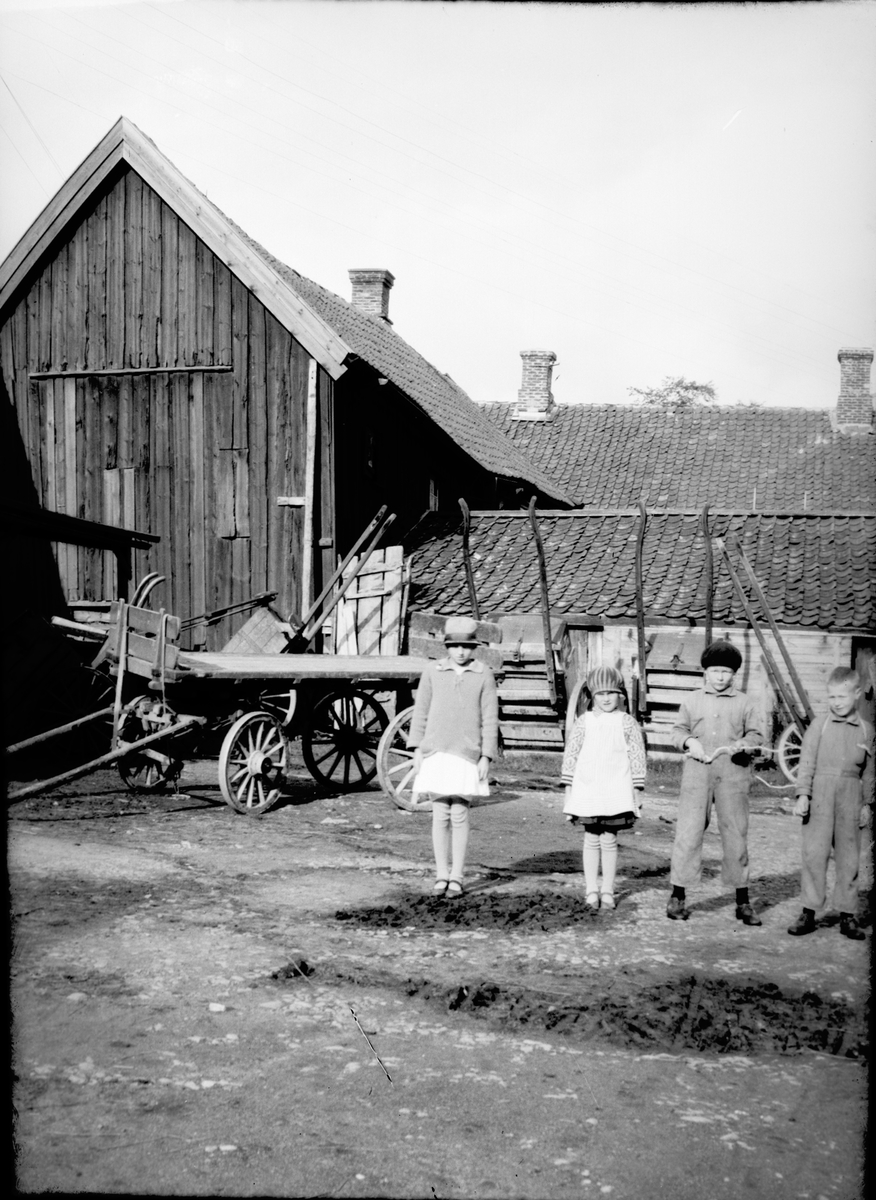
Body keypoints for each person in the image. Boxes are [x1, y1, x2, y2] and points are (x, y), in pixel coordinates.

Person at [667, 639, 765, 925]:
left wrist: (744, 744)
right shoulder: (692, 700)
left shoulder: (745, 703)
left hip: (733, 775)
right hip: (697, 773)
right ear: (705, 672)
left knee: (735, 834)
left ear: (734, 674)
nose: (720, 677)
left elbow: (757, 736)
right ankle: (677, 896)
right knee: (688, 832)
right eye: (715, 671)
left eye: (726, 672)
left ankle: (743, 901)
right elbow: (677, 731)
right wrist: (689, 742)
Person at [407, 615, 499, 898]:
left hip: (466, 755)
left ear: (474, 647)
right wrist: (417, 749)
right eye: (455, 646)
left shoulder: (483, 674)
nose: (461, 652)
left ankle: (457, 876)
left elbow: (490, 718)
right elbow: (421, 711)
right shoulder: (433, 671)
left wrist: (486, 756)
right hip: (436, 752)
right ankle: (441, 874)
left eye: (467, 647)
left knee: (459, 814)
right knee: (439, 814)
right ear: (446, 646)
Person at [787, 667, 874, 940]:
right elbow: (806, 763)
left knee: (849, 858)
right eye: (832, 697)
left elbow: (870, 772)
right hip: (820, 796)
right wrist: (803, 795)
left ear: (857, 694)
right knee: (814, 854)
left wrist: (867, 804)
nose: (836, 702)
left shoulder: (867, 730)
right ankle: (809, 912)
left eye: (842, 697)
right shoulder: (819, 726)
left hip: (851, 796)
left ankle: (847, 915)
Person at [561, 666, 646, 912]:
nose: (606, 698)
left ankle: (607, 890)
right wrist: (568, 791)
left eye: (611, 693)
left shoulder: (627, 723)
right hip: (588, 788)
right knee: (591, 838)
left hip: (615, 789)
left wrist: (637, 790)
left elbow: (637, 756)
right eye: (601, 694)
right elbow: (571, 755)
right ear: (592, 695)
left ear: (620, 695)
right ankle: (591, 890)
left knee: (609, 839)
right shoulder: (583, 722)